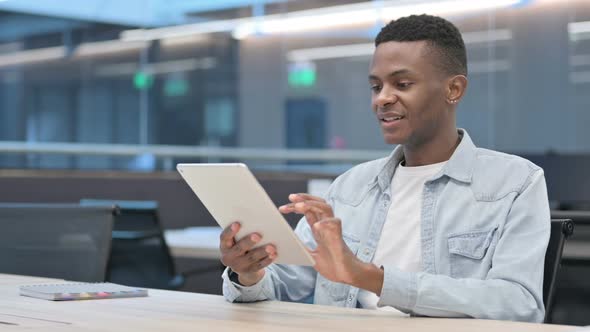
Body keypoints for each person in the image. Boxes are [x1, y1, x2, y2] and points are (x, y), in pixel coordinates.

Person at [219, 14, 550, 323]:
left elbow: (519, 304)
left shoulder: (515, 183)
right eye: (376, 86)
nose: (382, 99)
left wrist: (371, 278)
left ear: (454, 89)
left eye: (402, 84)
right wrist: (249, 272)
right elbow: (284, 285)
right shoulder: (349, 188)